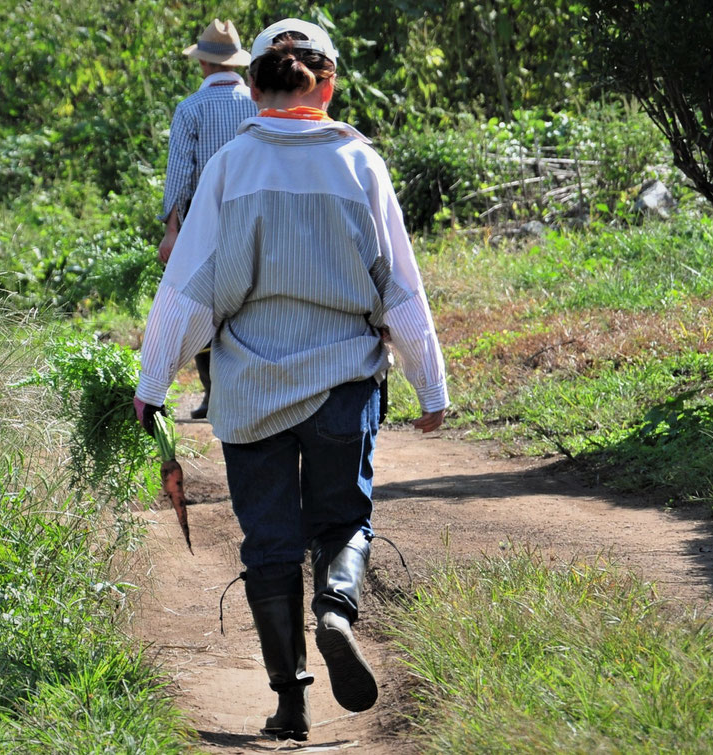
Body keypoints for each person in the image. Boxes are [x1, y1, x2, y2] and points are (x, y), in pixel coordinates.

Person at [134, 18, 448, 741]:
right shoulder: (358, 164)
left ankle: (290, 700)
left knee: (270, 542)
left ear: (251, 89)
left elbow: (190, 290)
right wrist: (430, 387)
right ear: (328, 83)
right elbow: (398, 284)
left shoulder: (231, 167)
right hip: (344, 379)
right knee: (341, 521)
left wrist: (153, 382)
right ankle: (336, 608)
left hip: (249, 389)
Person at [158, 18, 257, 419]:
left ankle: (214, 392)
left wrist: (171, 231)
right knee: (248, 302)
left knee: (202, 303)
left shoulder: (190, 109)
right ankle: (245, 390)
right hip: (254, 220)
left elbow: (180, 175)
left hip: (205, 225)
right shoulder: (256, 102)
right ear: (234, 63)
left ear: (203, 64)